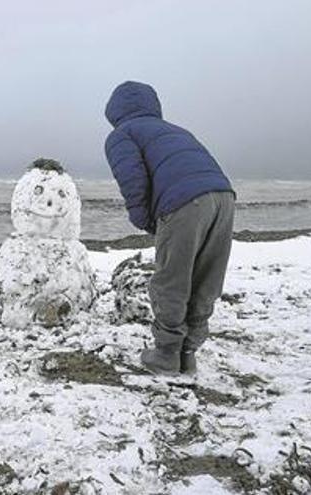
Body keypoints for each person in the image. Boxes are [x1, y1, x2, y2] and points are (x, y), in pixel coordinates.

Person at [104, 80, 235, 375]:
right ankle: (187, 353)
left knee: (172, 279)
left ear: (113, 111)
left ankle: (165, 353)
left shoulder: (122, 135)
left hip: (185, 202)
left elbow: (132, 180)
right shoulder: (177, 130)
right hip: (224, 197)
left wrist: (145, 219)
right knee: (206, 279)